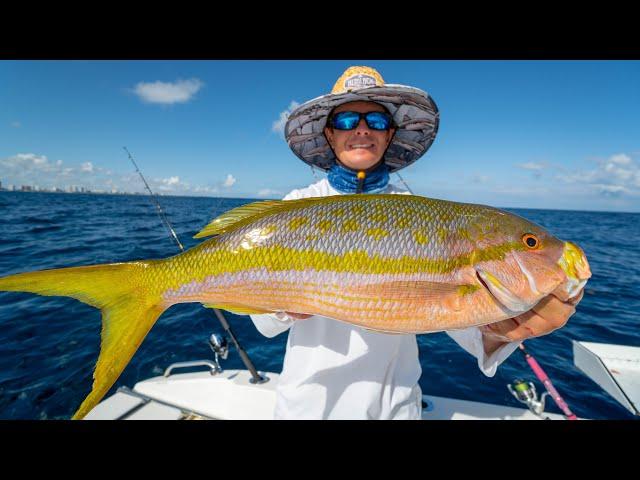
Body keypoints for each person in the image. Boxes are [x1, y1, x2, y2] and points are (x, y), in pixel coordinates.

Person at [250, 66, 584, 420]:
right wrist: (285, 305)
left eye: (376, 122)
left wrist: (505, 330)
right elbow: (263, 324)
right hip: (307, 406)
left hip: (397, 408)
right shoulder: (294, 206)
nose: (362, 129)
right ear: (330, 134)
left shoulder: (424, 218)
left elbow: (465, 324)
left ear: (390, 134)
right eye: (347, 120)